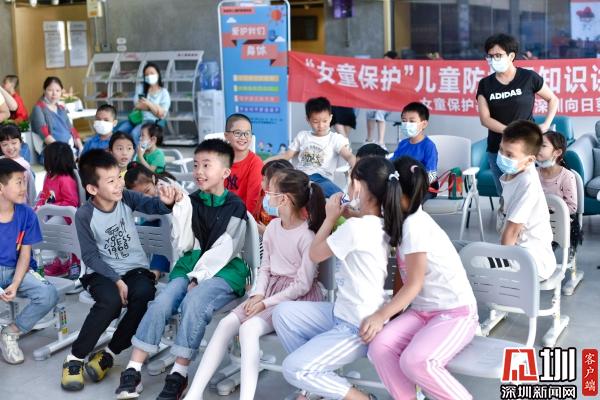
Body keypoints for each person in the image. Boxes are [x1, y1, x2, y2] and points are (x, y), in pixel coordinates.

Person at [114, 139, 249, 400]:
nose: (199, 171)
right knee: (162, 301)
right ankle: (133, 369)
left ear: (225, 172)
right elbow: (184, 242)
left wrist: (198, 278)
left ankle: (179, 373)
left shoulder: (236, 206)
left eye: (206, 165)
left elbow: (225, 250)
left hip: (224, 271)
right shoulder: (191, 199)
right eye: (196, 165)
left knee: (194, 302)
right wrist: (177, 207)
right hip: (189, 265)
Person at [184, 169, 326, 400]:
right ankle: (194, 394)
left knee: (248, 329)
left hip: (295, 299)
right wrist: (258, 295)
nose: (266, 196)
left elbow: (302, 285)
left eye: (271, 192)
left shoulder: (306, 236)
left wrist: (265, 302)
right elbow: (265, 268)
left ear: (284, 199)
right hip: (268, 292)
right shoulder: (273, 228)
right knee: (226, 324)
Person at [273, 156, 402, 400]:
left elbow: (315, 254)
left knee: (293, 368)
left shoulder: (356, 228)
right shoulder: (380, 223)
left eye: (350, 181)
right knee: (283, 314)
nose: (347, 187)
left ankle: (358, 397)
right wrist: (350, 214)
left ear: (359, 187)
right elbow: (360, 225)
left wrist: (330, 217)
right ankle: (317, 383)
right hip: (342, 312)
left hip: (357, 326)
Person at [60, 150, 177, 392]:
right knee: (111, 302)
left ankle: (110, 353)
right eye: (111, 181)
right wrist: (116, 280)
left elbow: (152, 205)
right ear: (93, 189)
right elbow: (90, 256)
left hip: (135, 269)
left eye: (118, 178)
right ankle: (75, 358)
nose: (118, 185)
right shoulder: (84, 215)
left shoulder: (126, 197)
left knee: (144, 294)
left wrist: (166, 202)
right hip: (100, 273)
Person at [365, 156, 478, 400]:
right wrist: (391, 313)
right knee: (379, 347)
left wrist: (381, 315)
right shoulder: (403, 219)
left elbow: (414, 284)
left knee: (416, 362)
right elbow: (401, 274)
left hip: (454, 313)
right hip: (422, 312)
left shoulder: (415, 226)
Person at [477, 33, 558, 196]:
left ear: (511, 56)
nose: (493, 59)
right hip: (498, 148)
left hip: (526, 148)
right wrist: (510, 132)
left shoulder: (528, 77)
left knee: (529, 194)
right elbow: (485, 119)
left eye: (498, 55)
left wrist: (546, 124)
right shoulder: (485, 84)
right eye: (490, 56)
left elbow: (553, 99)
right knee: (505, 196)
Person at [0, 158, 59, 365]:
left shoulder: (27, 214)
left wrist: (15, 284)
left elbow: (25, 256)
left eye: (24, 182)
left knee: (48, 294)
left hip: (18, 270)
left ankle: (11, 332)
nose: (24, 188)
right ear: (1, 187)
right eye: (18, 182)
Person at [495, 120, 556, 280]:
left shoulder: (527, 184)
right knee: (458, 249)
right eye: (501, 150)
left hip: (531, 262)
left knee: (469, 261)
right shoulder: (513, 173)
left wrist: (500, 267)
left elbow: (512, 232)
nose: (502, 157)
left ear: (529, 160)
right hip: (515, 252)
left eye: (509, 155)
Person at [266, 97, 356, 198]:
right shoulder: (302, 136)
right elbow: (287, 155)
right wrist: (265, 162)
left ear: (331, 118)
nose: (321, 125)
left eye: (325, 121)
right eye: (316, 121)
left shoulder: (335, 139)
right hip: (300, 177)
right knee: (282, 185)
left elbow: (349, 156)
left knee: (338, 196)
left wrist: (354, 170)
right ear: (308, 119)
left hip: (322, 179)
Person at [125, 162, 186, 276]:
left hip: (181, 224)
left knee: (161, 237)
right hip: (162, 223)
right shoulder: (135, 195)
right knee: (135, 234)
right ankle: (139, 267)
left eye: (147, 191)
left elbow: (163, 215)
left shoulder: (164, 187)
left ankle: (156, 272)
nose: (145, 197)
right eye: (139, 196)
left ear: (153, 179)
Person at [34, 142, 80, 277]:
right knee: (36, 226)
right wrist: (38, 208)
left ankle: (55, 261)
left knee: (47, 233)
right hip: (50, 214)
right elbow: (44, 195)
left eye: (46, 157)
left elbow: (71, 202)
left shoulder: (65, 179)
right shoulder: (49, 176)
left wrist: (50, 208)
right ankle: (58, 261)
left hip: (65, 217)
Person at [536, 131, 581, 254]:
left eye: (543, 145)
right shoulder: (533, 173)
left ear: (557, 152)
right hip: (536, 220)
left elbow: (572, 207)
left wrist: (549, 211)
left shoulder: (567, 176)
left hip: (558, 221)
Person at [117, 62, 171, 145]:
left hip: (153, 122)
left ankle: (138, 152)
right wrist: (155, 108)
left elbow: (162, 114)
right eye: (147, 74)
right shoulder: (141, 88)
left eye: (152, 73)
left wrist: (148, 103)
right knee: (119, 131)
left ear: (158, 74)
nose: (149, 76)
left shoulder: (164, 92)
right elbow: (138, 105)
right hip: (138, 119)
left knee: (135, 134)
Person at [30, 76, 83, 158]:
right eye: (50, 90)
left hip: (70, 149)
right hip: (53, 152)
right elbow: (45, 135)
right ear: (44, 90)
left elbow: (71, 129)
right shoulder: (38, 109)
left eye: (57, 90)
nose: (54, 94)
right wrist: (65, 152)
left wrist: (80, 147)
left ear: (61, 91)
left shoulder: (61, 108)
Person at [223, 113, 263, 216]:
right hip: (220, 213)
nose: (243, 137)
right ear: (226, 136)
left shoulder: (255, 163)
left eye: (247, 133)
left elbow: (253, 201)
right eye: (237, 133)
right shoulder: (219, 159)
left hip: (243, 217)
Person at [390, 102, 438, 184]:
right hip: (403, 184)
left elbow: (432, 175)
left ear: (424, 124)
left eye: (412, 121)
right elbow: (393, 163)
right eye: (404, 121)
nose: (407, 124)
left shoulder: (429, 146)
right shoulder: (403, 144)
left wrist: (417, 182)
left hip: (421, 186)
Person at [364, 51, 397, 149]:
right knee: (370, 111)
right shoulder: (379, 73)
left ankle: (381, 142)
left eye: (388, 61)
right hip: (379, 102)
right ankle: (369, 139)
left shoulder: (397, 74)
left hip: (392, 104)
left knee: (379, 112)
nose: (385, 63)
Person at [255, 159, 294, 236]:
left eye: (263, 179)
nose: (261, 182)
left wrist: (266, 232)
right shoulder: (264, 196)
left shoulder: (285, 208)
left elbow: (285, 236)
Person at [0, 124, 34, 204]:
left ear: (21, 142)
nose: (10, 147)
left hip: (20, 206)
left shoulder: (25, 165)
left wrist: (32, 206)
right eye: (5, 144)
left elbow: (31, 189)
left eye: (14, 143)